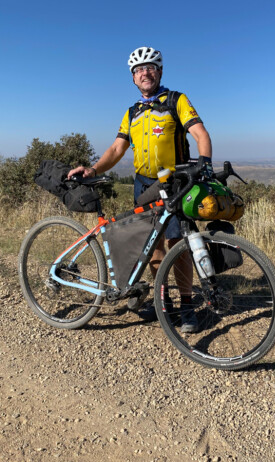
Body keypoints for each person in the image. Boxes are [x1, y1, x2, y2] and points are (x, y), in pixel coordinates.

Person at [68, 46, 213, 333]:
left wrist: (205, 163)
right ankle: (163, 303)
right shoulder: (132, 111)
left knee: (179, 245)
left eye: (150, 67)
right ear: (133, 78)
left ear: (160, 72)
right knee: (152, 246)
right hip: (143, 184)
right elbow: (117, 148)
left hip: (174, 184)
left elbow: (200, 134)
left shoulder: (176, 100)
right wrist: (93, 169)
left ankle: (186, 305)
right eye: (138, 70)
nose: (144, 73)